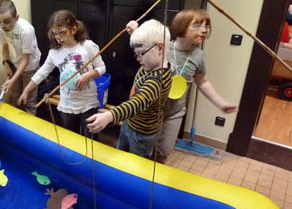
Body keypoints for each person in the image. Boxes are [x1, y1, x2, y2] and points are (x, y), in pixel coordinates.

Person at [135, 9, 237, 163]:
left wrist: (220, 103)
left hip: (174, 113)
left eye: (206, 26)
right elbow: (141, 65)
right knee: (142, 148)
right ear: (181, 26)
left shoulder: (198, 56)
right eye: (197, 25)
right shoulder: (163, 47)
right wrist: (134, 30)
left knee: (163, 152)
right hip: (151, 110)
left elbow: (203, 82)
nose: (203, 30)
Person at [86, 19, 172, 159]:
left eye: (141, 53)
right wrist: (135, 33)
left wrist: (109, 116)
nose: (138, 59)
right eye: (136, 53)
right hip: (129, 122)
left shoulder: (157, 81)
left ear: (160, 48)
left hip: (142, 134)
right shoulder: (152, 62)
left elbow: (137, 102)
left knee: (135, 168)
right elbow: (148, 47)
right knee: (121, 155)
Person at [18, 10, 106, 137]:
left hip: (88, 103)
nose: (59, 37)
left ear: (73, 29)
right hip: (67, 105)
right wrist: (26, 91)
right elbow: (41, 73)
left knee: (91, 139)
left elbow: (102, 67)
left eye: (62, 32)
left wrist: (89, 74)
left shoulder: (88, 46)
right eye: (55, 34)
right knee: (72, 140)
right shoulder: (55, 52)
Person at [0, 0, 41, 115]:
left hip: (30, 66)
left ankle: (30, 126)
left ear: (17, 17)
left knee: (29, 101)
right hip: (15, 62)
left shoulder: (26, 30)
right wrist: (6, 64)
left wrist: (13, 80)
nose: (3, 25)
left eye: (7, 21)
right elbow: (5, 47)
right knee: (16, 97)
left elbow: (26, 59)